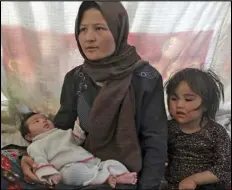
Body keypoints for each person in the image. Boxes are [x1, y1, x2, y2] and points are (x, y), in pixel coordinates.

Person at [20, 1, 168, 189]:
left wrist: (147, 186)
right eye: (82, 30)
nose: (89, 37)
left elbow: (155, 139)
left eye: (99, 28)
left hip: (128, 174)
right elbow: (61, 129)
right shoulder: (75, 78)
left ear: (118, 30)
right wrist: (29, 156)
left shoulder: (146, 78)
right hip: (81, 170)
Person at [20, 112, 137, 188]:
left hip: (91, 162)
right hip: (67, 167)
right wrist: (50, 175)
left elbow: (77, 138)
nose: (44, 121)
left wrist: (79, 122)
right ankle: (106, 178)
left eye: (45, 118)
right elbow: (40, 160)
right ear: (29, 136)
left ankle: (122, 174)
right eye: (36, 121)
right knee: (72, 173)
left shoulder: (62, 133)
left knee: (110, 162)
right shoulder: (35, 146)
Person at [164, 68, 231, 190]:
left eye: (188, 99)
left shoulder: (216, 132)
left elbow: (225, 167)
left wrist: (194, 179)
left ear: (205, 105)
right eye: (174, 98)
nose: (179, 105)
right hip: (172, 185)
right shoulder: (167, 128)